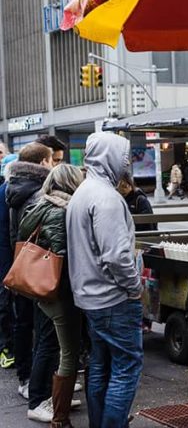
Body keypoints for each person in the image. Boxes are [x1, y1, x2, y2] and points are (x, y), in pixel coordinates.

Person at [67, 132, 143, 428]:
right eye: (123, 156)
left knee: (100, 365)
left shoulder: (83, 193)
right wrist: (135, 288)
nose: (126, 163)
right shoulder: (107, 198)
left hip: (90, 298)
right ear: (110, 157)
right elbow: (116, 256)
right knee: (125, 368)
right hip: (113, 299)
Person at [19, 164, 85, 428]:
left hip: (40, 286)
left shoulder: (41, 204)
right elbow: (64, 255)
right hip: (57, 289)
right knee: (63, 349)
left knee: (51, 343)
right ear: (71, 183)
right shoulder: (61, 210)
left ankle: (52, 401)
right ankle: (55, 413)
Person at [5, 142, 55, 420]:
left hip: (22, 266)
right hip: (38, 267)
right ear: (43, 163)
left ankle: (32, 384)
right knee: (43, 331)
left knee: (27, 326)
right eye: (51, 160)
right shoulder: (36, 193)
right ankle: (38, 393)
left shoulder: (14, 189)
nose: (53, 165)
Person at [0, 153, 18, 369]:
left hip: (11, 258)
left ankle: (8, 347)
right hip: (7, 259)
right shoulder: (5, 194)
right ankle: (6, 347)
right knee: (5, 304)